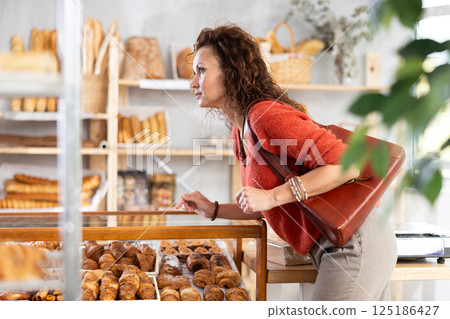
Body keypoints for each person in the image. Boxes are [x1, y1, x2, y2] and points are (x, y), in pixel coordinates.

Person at [175, 24, 397, 301]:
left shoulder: (264, 116)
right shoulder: (240, 130)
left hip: (355, 241)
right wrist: (214, 209)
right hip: (332, 247)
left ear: (230, 72)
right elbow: (266, 205)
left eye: (202, 70)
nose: (192, 82)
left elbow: (348, 165)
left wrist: (271, 196)